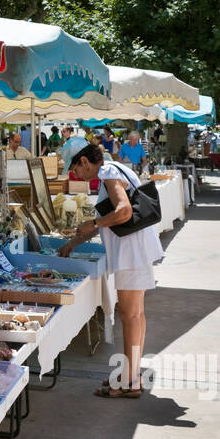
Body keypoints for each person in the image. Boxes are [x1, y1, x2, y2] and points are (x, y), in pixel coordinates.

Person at [60, 139, 163, 396]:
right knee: (136, 315)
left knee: (129, 316)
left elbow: (124, 211)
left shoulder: (107, 172)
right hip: (136, 251)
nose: (76, 175)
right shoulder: (115, 167)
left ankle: (129, 382)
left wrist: (94, 224)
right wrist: (73, 242)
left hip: (130, 253)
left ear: (84, 161)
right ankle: (132, 374)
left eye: (75, 169)